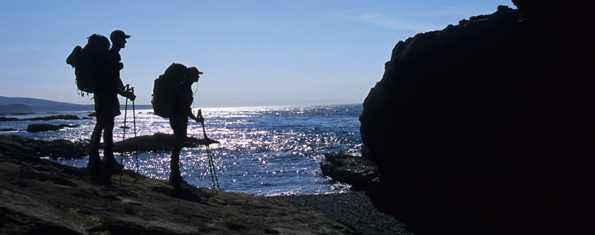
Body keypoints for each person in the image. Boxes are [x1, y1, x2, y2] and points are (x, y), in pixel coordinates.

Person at [88, 30, 135, 183]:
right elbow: (108, 78)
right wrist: (121, 92)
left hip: (108, 95)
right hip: (105, 95)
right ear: (116, 39)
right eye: (123, 39)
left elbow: (116, 77)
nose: (125, 42)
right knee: (103, 125)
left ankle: (105, 159)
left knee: (107, 125)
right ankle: (98, 159)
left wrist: (122, 91)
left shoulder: (114, 55)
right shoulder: (110, 55)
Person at [166, 64, 202, 188]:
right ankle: (174, 176)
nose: (198, 77)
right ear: (191, 76)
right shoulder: (185, 89)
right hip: (179, 120)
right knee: (177, 147)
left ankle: (175, 175)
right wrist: (196, 118)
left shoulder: (183, 87)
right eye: (197, 74)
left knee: (177, 147)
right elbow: (185, 108)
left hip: (177, 119)